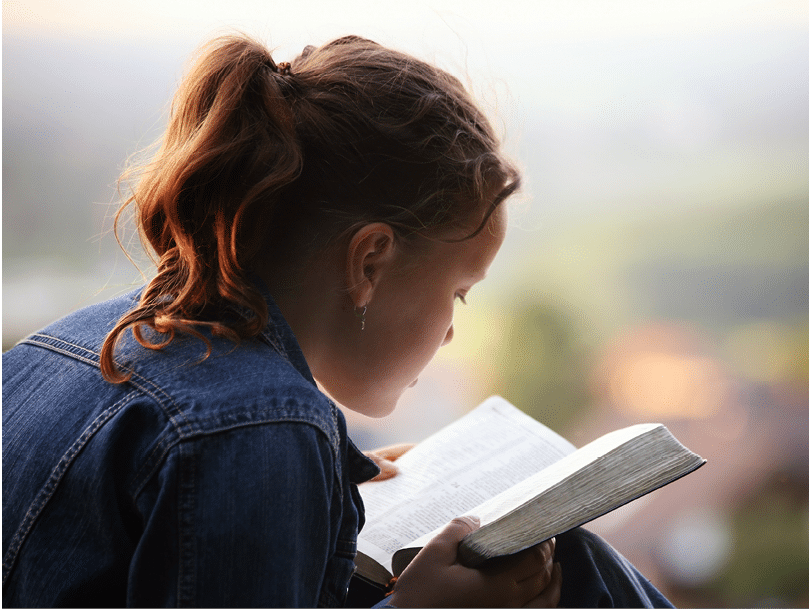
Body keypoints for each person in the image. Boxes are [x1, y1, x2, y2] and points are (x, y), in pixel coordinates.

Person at [1, 34, 672, 608]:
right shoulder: (260, 427)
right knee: (570, 558)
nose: (449, 334)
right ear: (371, 261)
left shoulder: (58, 346)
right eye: (459, 293)